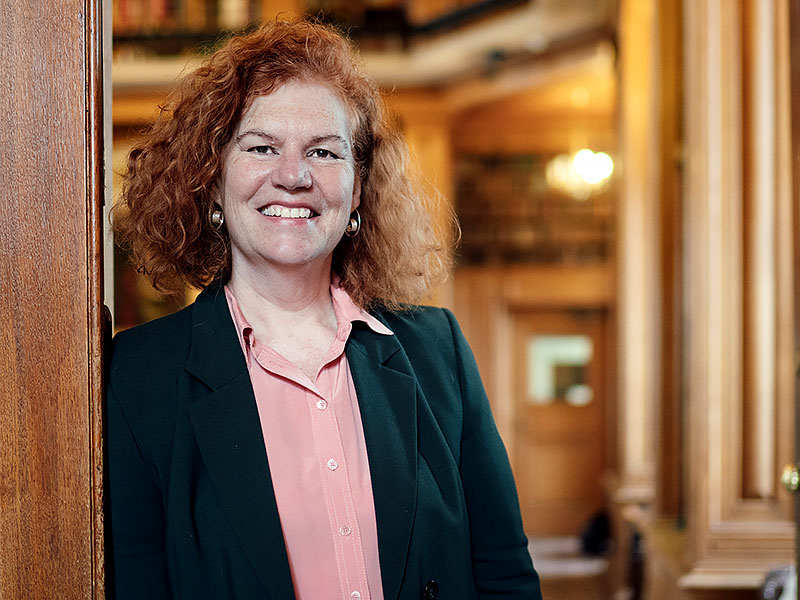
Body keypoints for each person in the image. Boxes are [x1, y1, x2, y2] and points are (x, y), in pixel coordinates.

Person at [107, 19, 542, 600]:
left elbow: (504, 574)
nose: (293, 176)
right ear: (212, 180)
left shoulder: (438, 351)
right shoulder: (140, 375)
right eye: (262, 147)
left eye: (324, 151)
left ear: (357, 188)